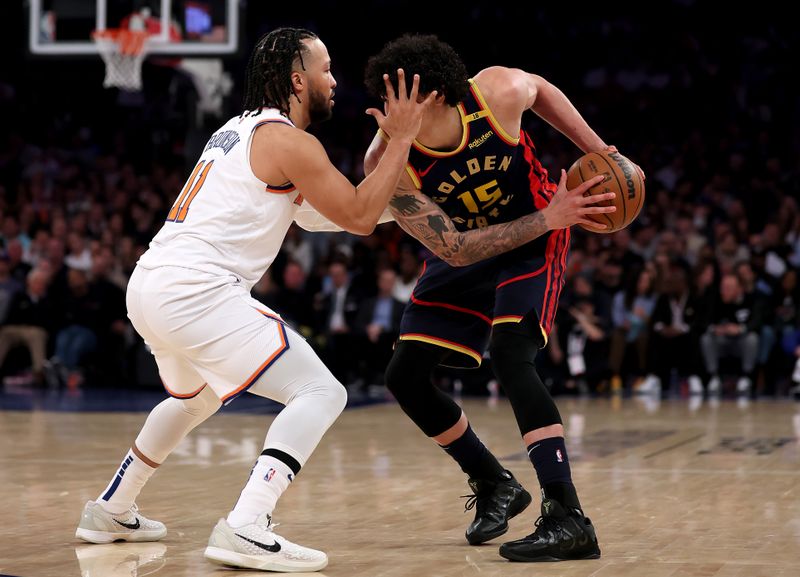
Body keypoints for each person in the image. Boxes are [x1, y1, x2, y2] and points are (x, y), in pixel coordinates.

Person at [75, 27, 434, 573]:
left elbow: (326, 215)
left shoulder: (239, 131)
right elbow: (358, 217)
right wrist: (403, 138)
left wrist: (407, 207)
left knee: (193, 399)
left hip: (151, 284)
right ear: (297, 79)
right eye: (326, 68)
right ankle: (247, 523)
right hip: (197, 291)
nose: (334, 80)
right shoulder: (291, 141)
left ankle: (112, 508)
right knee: (319, 391)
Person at [362, 34, 640, 562]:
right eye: (381, 100)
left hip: (536, 237)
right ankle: (494, 483)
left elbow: (541, 90)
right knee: (404, 375)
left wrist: (601, 152)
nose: (383, 114)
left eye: (396, 100)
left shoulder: (496, 94)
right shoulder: (387, 161)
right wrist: (547, 217)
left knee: (513, 354)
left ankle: (567, 515)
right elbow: (458, 249)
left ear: (435, 97)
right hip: (472, 245)